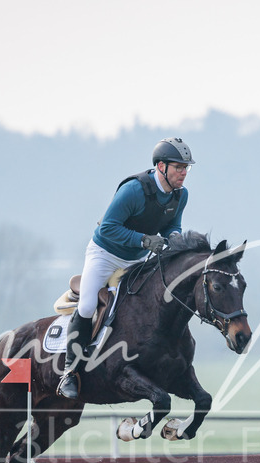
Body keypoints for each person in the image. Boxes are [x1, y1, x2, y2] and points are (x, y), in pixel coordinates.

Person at [57, 137, 196, 399]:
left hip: (136, 259)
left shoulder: (181, 195)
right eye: (179, 167)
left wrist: (175, 240)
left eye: (187, 168)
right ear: (161, 166)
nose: (184, 173)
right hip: (105, 253)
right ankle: (69, 371)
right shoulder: (133, 190)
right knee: (87, 306)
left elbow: (171, 226)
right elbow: (107, 228)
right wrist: (143, 240)